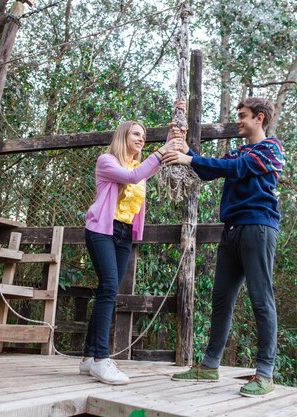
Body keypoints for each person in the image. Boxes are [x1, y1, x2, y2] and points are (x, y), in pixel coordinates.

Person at [164, 97, 285, 398]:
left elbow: (237, 168)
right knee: (221, 297)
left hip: (258, 227)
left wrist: (189, 159)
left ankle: (266, 374)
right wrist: (184, 148)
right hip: (231, 230)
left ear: (259, 118)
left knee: (261, 299)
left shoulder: (271, 149)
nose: (238, 121)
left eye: (242, 116)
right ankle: (209, 366)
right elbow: (210, 170)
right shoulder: (239, 150)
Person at [80, 104, 186, 385]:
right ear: (123, 137)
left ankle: (89, 357)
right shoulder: (107, 161)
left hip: (125, 234)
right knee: (108, 288)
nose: (141, 139)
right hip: (102, 231)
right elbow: (131, 178)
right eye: (136, 134)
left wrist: (173, 128)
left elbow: (152, 164)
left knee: (108, 289)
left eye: (144, 135)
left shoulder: (139, 166)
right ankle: (102, 359)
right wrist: (161, 150)